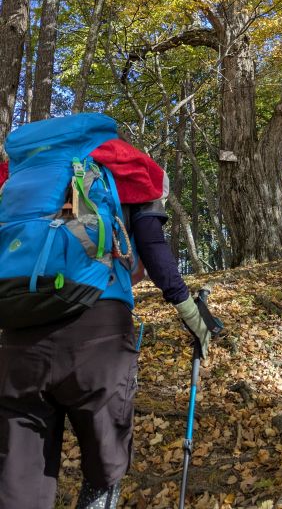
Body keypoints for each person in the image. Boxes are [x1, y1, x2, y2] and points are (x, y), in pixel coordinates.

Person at [0, 128, 209, 509]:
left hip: (18, 339)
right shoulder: (124, 167)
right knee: (104, 469)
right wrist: (189, 311)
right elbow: (153, 248)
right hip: (98, 333)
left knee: (18, 479)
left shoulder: (21, 176)